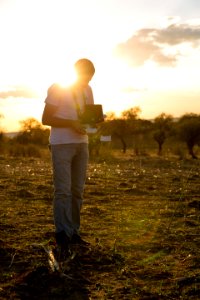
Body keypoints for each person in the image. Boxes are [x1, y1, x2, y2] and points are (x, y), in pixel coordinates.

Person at [42, 58, 96, 257]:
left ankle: (74, 232)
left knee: (77, 191)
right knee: (63, 190)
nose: (87, 82)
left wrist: (96, 122)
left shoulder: (88, 90)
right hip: (61, 144)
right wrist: (71, 124)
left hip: (83, 143)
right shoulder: (58, 88)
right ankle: (62, 235)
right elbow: (45, 118)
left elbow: (86, 117)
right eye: (85, 78)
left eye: (90, 79)